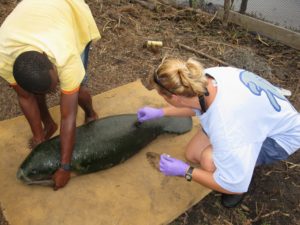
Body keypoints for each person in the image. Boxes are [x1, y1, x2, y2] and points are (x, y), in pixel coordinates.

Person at [137, 57, 300, 208]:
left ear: (174, 97)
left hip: (279, 137)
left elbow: (232, 182)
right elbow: (195, 105)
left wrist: (186, 171)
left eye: (163, 97)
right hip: (258, 116)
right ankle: (237, 163)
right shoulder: (202, 77)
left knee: (208, 161)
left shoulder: (227, 128)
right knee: (193, 154)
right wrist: (161, 112)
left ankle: (240, 187)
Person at [0, 0, 101, 190]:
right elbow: (25, 97)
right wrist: (39, 140)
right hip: (33, 21)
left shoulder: (65, 55)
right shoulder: (3, 57)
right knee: (34, 90)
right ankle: (48, 125)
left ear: (48, 59)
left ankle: (91, 114)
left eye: (55, 86)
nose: (55, 92)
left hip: (70, 12)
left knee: (77, 90)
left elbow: (68, 116)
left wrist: (65, 167)